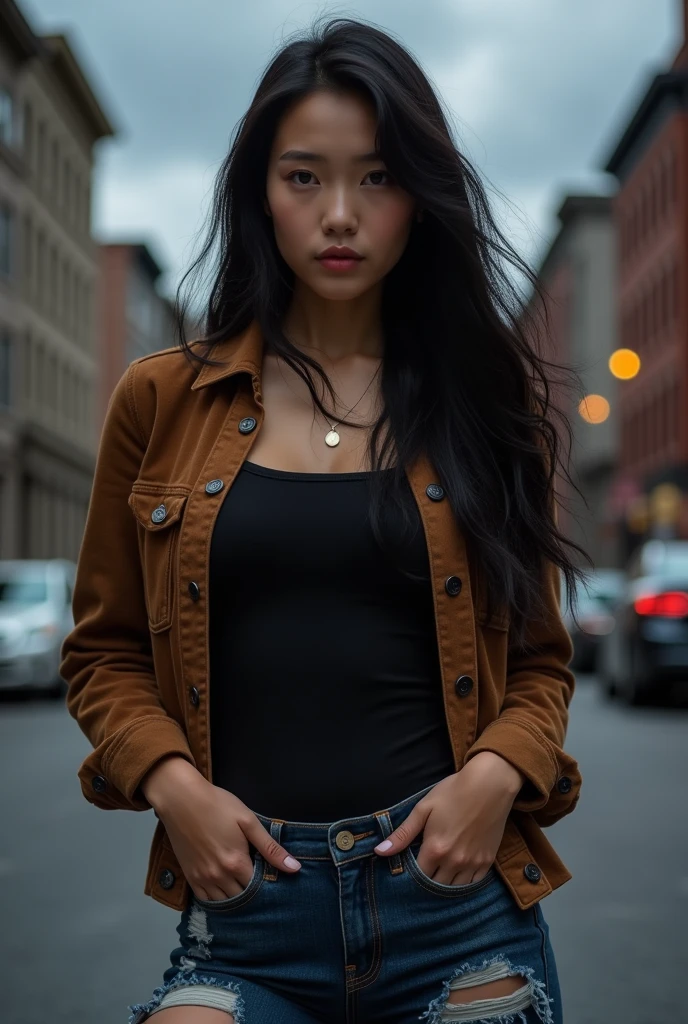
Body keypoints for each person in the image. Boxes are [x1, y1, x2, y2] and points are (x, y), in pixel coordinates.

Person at [61, 16, 588, 1024]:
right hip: (248, 913)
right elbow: (104, 653)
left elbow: (539, 663)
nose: (339, 214)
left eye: (378, 178)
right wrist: (173, 785)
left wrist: (492, 775)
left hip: (457, 911)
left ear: (419, 202)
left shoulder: (482, 406)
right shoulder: (160, 400)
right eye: (304, 177)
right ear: (260, 192)